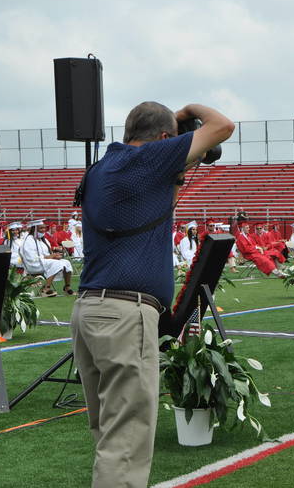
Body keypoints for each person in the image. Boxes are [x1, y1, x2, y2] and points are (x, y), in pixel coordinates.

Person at [72, 101, 234, 488]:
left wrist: (173, 148)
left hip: (89, 310)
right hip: (125, 315)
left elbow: (162, 202)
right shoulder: (145, 161)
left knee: (110, 436)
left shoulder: (101, 169)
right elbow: (223, 126)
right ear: (163, 140)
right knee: (126, 442)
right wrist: (187, 113)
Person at [20, 219, 74, 296]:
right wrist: (50, 257)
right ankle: (45, 289)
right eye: (41, 228)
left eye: (44, 228)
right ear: (34, 229)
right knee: (56, 264)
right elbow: (31, 258)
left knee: (66, 262)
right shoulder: (29, 240)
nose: (43, 230)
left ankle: (67, 287)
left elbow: (49, 254)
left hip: (44, 262)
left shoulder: (43, 240)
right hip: (34, 265)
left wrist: (55, 256)